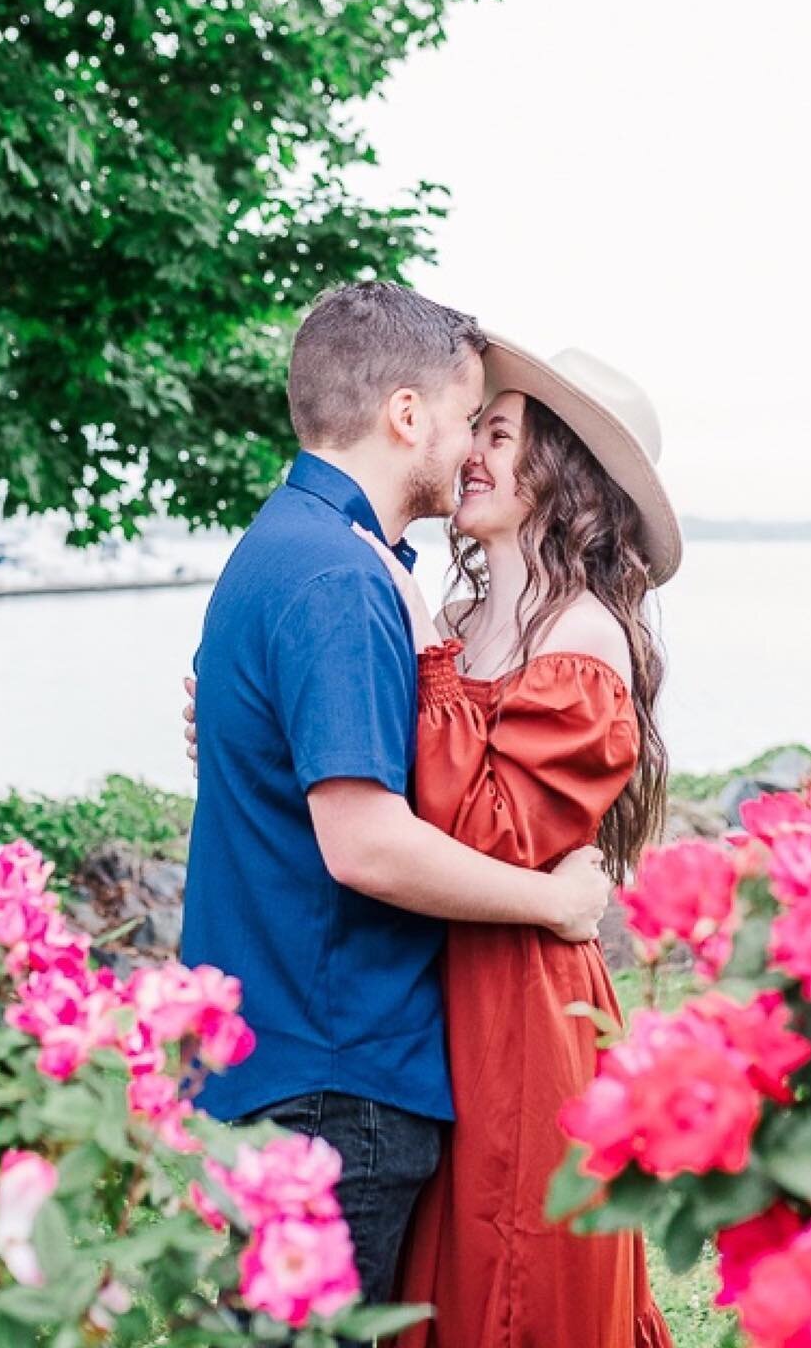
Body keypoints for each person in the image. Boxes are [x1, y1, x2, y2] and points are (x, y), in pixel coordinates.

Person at [179, 285, 615, 1314]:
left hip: (272, 1055)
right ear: (407, 416)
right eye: (470, 419)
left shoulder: (283, 543)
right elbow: (367, 845)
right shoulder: (342, 578)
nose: (471, 450)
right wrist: (555, 904)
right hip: (330, 1075)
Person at [354, 335, 680, 1348]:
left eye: (500, 434)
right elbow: (373, 778)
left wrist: (411, 636)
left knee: (511, 1264)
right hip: (433, 979)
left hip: (521, 1001)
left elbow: (489, 830)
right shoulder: (459, 620)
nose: (473, 453)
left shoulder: (583, 635)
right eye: (478, 432)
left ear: (562, 472)